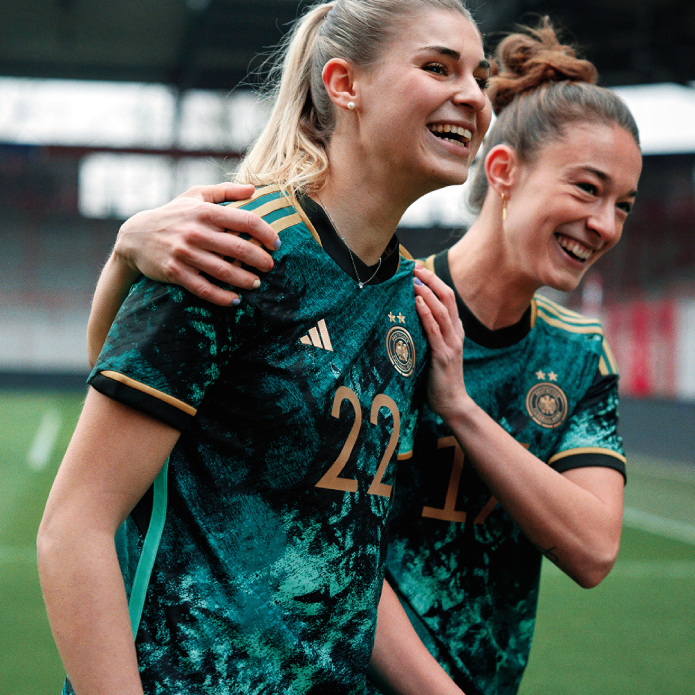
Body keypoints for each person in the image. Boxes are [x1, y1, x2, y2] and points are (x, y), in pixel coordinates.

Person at [91, 18, 643, 695]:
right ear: (501, 171)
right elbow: (114, 440)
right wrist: (124, 254)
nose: (605, 224)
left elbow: (591, 549)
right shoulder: (331, 279)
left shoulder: (563, 349)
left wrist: (459, 410)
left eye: (623, 204)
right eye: (587, 189)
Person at [37, 1, 492, 694]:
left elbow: (345, 555)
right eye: (437, 66)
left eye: (478, 75)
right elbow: (75, 527)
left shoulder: (410, 300)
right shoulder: (225, 251)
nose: (473, 95)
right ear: (344, 84)